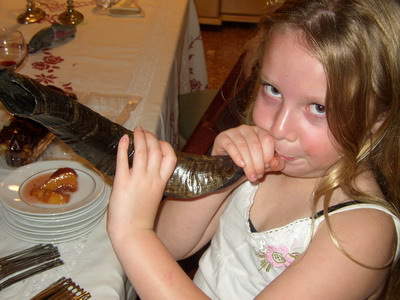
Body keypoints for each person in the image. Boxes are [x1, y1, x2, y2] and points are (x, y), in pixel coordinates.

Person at [107, 0, 400, 298]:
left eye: (319, 107)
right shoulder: (264, 155)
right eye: (272, 90)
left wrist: (133, 233)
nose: (278, 128)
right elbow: (168, 242)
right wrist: (219, 172)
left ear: (379, 117)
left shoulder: (361, 235)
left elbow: (145, 241)